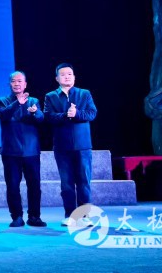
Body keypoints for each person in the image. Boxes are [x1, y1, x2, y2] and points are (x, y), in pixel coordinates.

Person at [43, 63, 97, 226]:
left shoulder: (84, 93)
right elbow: (48, 116)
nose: (67, 77)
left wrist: (77, 113)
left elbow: (92, 113)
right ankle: (70, 215)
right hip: (62, 146)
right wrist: (66, 115)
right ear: (57, 78)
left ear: (74, 77)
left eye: (69, 74)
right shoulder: (51, 96)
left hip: (82, 146)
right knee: (66, 183)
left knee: (83, 182)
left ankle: (85, 216)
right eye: (63, 74)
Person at [0, 71, 46, 228]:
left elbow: (41, 118)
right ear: (9, 84)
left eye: (19, 81)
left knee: (34, 185)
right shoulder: (2, 101)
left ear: (25, 84)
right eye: (13, 81)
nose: (16, 84)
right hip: (10, 151)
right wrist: (17, 103)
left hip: (31, 151)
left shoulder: (33, 101)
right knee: (12, 186)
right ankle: (16, 216)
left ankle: (34, 216)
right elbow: (3, 116)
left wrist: (35, 112)